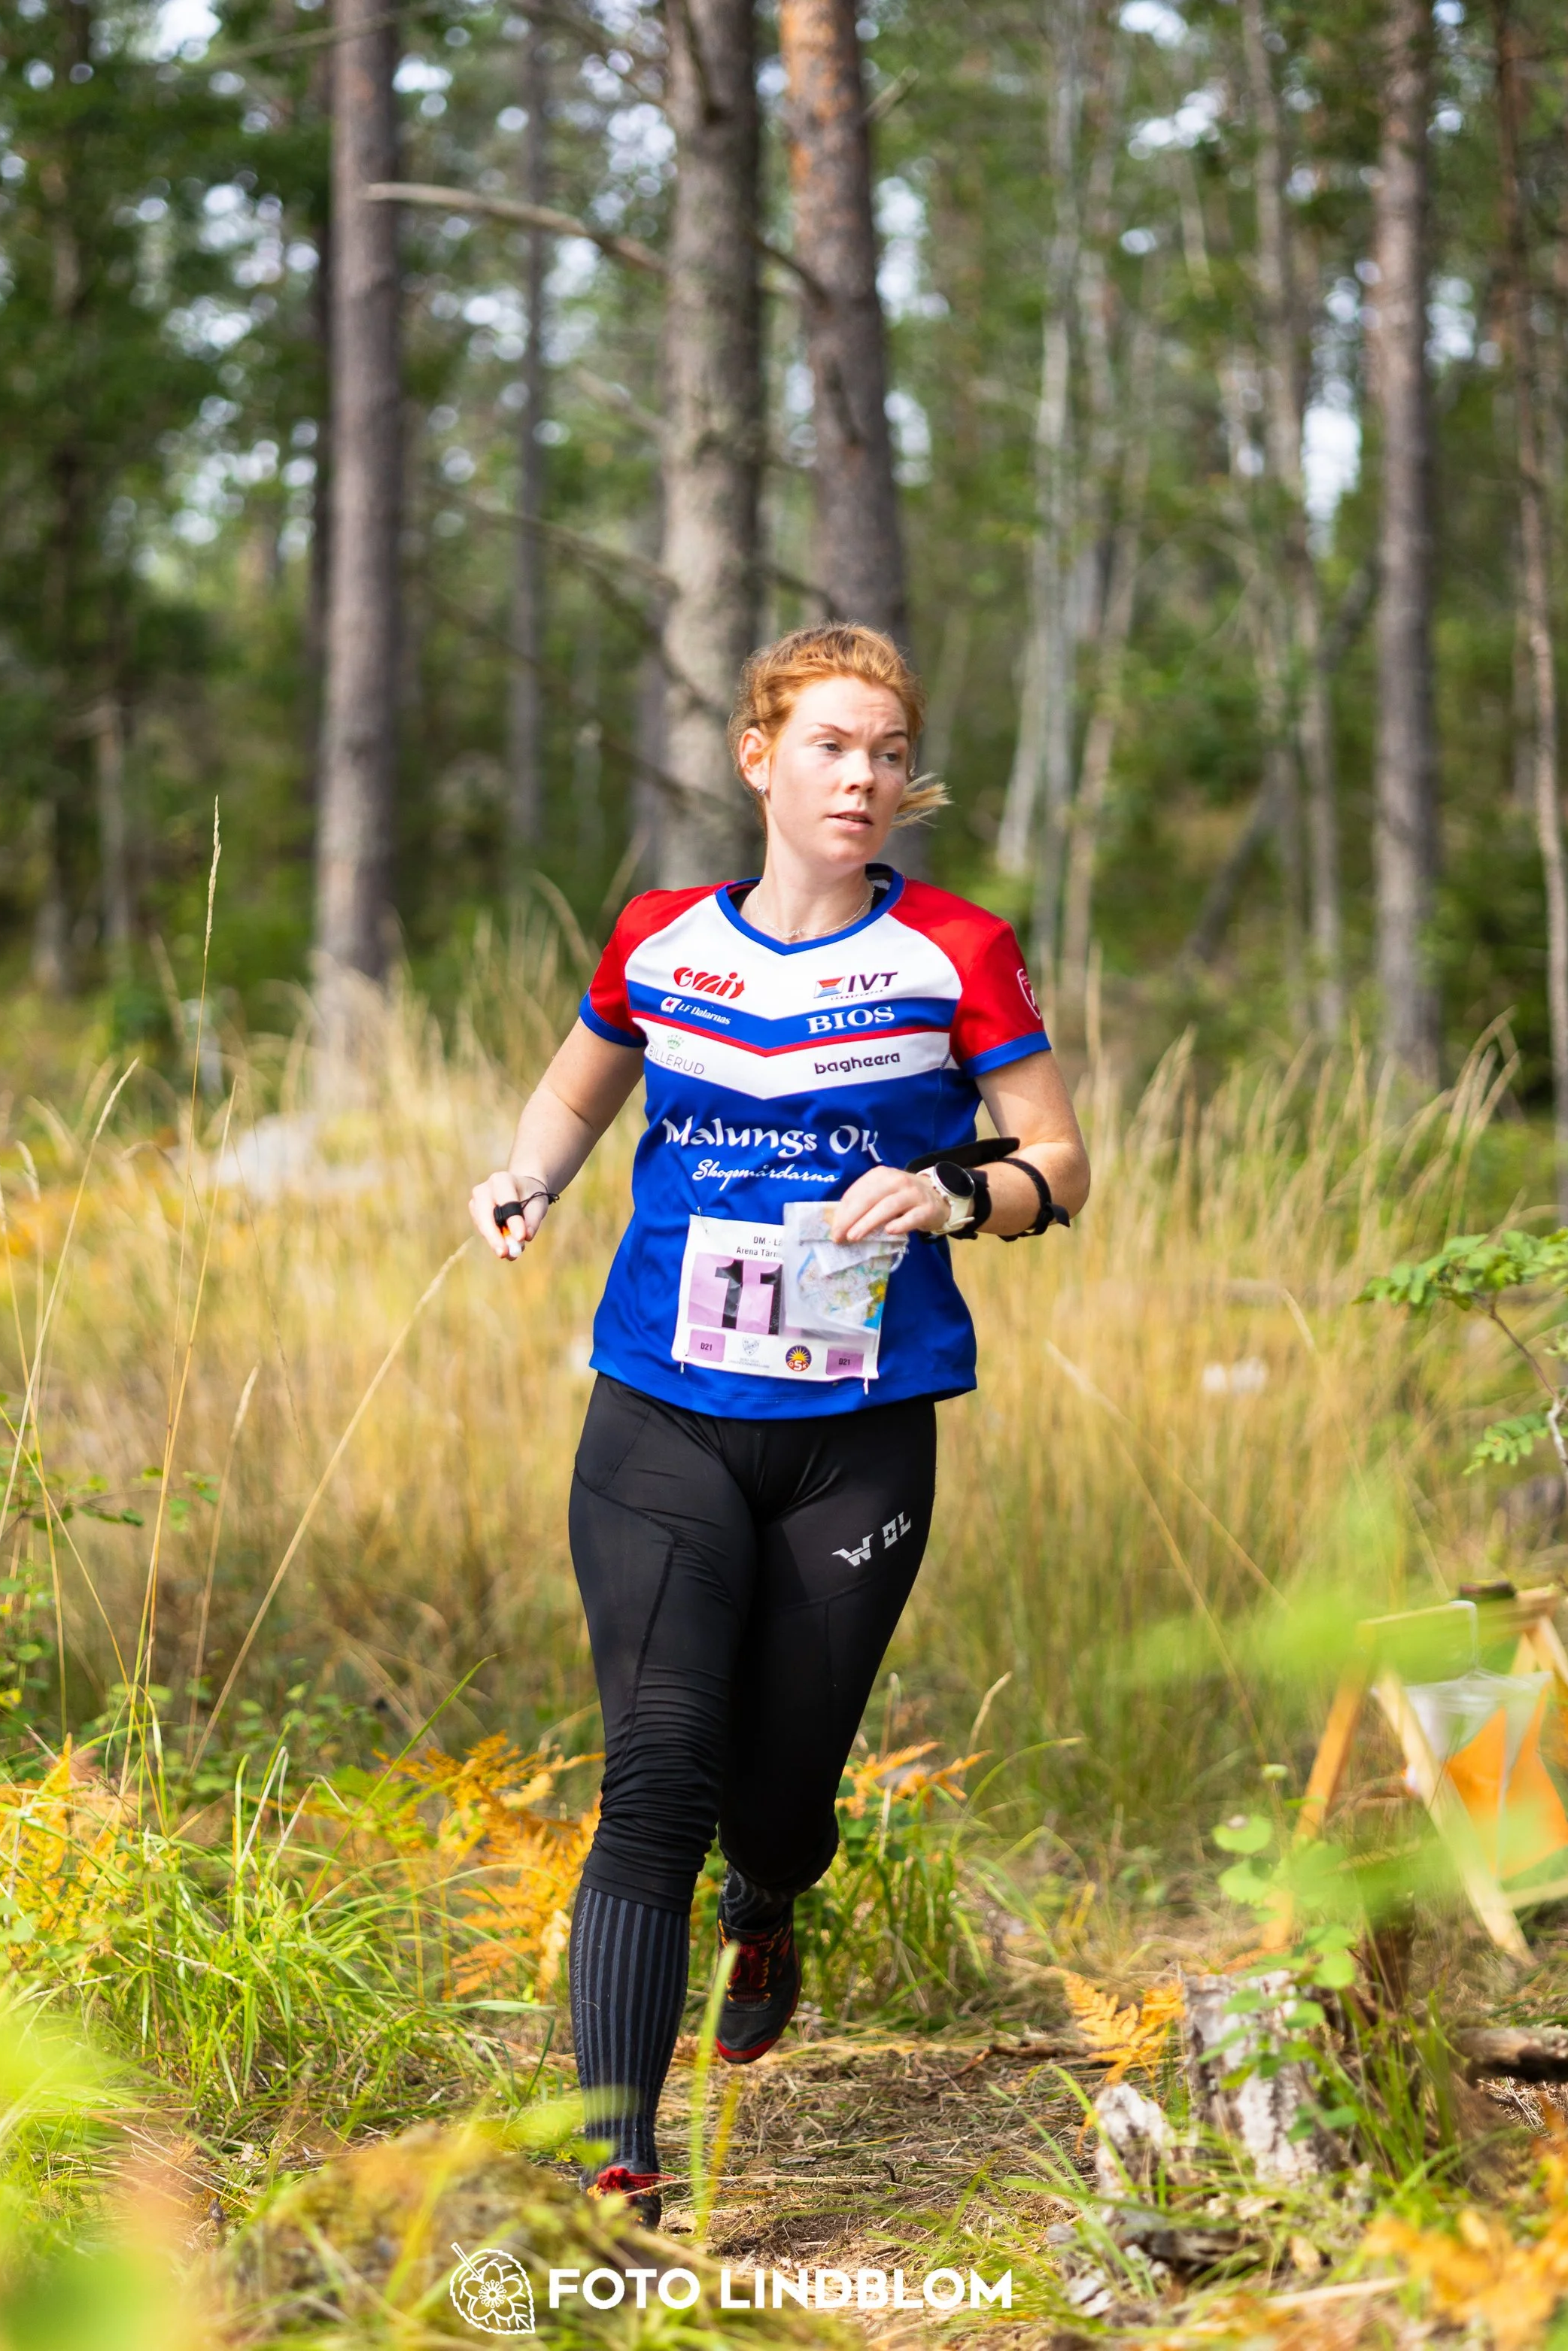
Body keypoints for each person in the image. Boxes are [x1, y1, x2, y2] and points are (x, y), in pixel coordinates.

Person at [468, 623, 1090, 2226]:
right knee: (654, 1769)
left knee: (777, 1796)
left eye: (885, 753)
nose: (861, 777)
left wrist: (957, 1191)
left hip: (856, 1430)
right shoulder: (663, 938)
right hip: (659, 1408)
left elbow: (1057, 1164)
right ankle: (615, 2162)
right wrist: (521, 1177)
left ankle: (772, 1898)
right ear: (759, 758)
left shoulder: (955, 946)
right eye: (829, 745)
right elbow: (572, 1091)